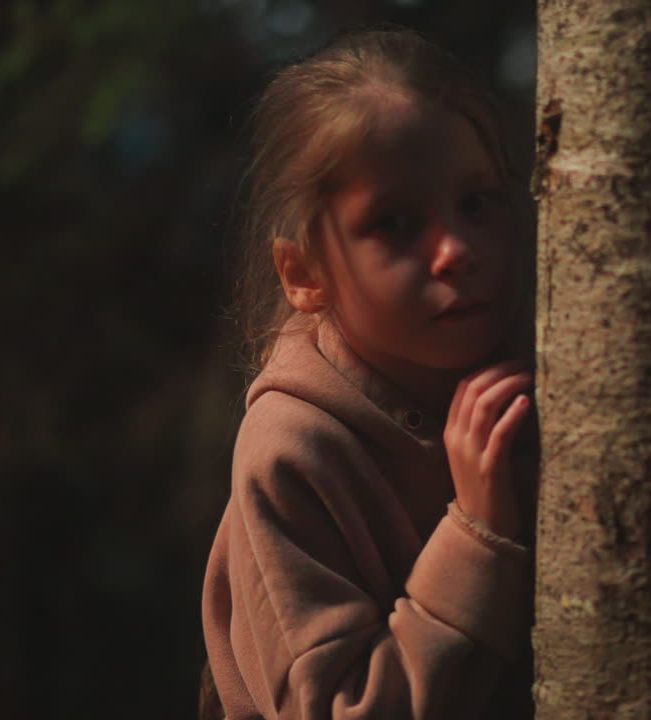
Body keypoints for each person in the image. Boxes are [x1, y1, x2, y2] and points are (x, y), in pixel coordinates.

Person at [201, 28, 537, 720]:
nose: (456, 250)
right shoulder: (291, 448)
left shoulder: (552, 360)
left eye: (476, 202)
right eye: (395, 223)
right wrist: (477, 533)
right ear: (302, 273)